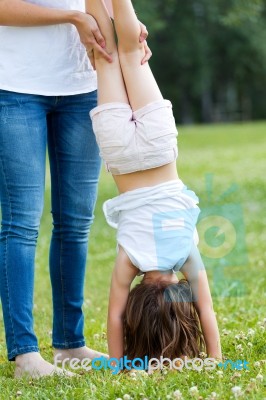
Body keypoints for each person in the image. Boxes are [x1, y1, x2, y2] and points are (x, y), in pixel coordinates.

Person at [0, 0, 150, 378]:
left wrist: (128, 27)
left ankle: (69, 343)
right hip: (14, 86)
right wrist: (71, 17)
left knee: (75, 224)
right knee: (20, 224)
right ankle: (25, 354)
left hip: (83, 84)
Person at [87, 0, 222, 366]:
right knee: (106, 56)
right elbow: (114, 317)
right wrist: (118, 367)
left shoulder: (186, 251)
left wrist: (216, 357)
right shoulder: (129, 260)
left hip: (160, 151)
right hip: (121, 155)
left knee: (131, 52)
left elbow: (206, 310)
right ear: (138, 301)